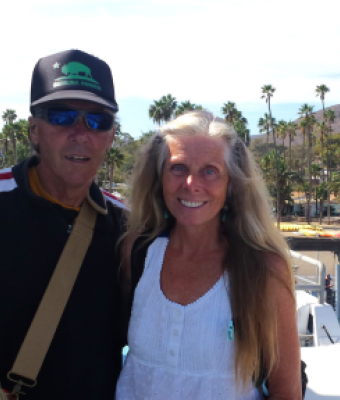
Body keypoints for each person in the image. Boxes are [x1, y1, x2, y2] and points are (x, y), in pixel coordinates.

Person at [117, 111, 301, 399]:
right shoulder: (138, 252)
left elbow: (286, 391)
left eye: (210, 171)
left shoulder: (263, 268)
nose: (192, 184)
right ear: (159, 178)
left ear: (232, 185)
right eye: (178, 168)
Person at [0, 49, 128, 400]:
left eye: (97, 121)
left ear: (111, 136)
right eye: (61, 116)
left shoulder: (128, 227)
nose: (81, 133)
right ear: (34, 130)